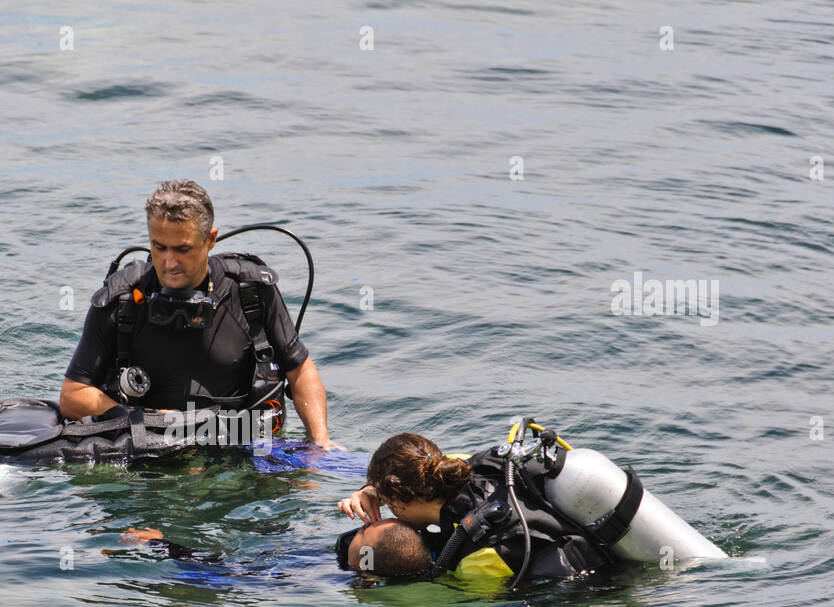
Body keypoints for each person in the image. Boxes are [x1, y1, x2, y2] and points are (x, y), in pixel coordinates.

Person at [59, 180, 340, 448]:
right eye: (159, 247)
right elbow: (73, 396)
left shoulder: (251, 292)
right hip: (150, 453)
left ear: (210, 240)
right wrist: (154, 421)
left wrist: (320, 440)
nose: (169, 263)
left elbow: (300, 369)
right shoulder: (122, 300)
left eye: (183, 249)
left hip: (238, 445)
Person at [335, 431, 614, 583]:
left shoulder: (478, 557)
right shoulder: (465, 465)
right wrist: (369, 491)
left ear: (400, 497)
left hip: (599, 590)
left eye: (389, 502)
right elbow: (413, 476)